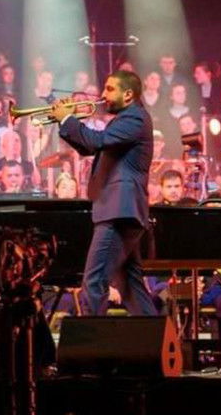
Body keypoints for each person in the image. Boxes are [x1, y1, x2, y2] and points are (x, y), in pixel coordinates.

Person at [49, 70, 157, 316]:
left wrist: (67, 119)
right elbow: (89, 147)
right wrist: (65, 122)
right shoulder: (125, 119)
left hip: (119, 211)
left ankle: (93, 337)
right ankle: (157, 336)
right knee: (130, 284)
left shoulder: (135, 118)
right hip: (120, 210)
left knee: (94, 281)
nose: (103, 94)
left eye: (110, 89)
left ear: (128, 94)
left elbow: (96, 141)